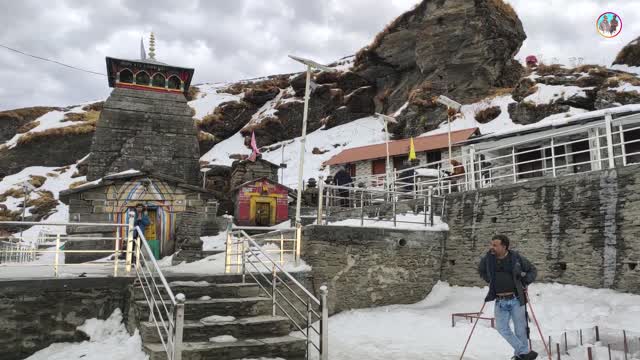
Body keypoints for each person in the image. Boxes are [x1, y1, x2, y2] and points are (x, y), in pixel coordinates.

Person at [478, 234, 538, 360]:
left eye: (495, 245)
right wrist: (489, 279)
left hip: (516, 299)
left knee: (520, 330)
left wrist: (524, 281)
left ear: (504, 246)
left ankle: (520, 356)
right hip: (500, 301)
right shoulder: (488, 258)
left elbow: (532, 270)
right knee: (501, 328)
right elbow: (481, 270)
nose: (492, 247)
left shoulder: (515, 257)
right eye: (491, 244)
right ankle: (525, 352)